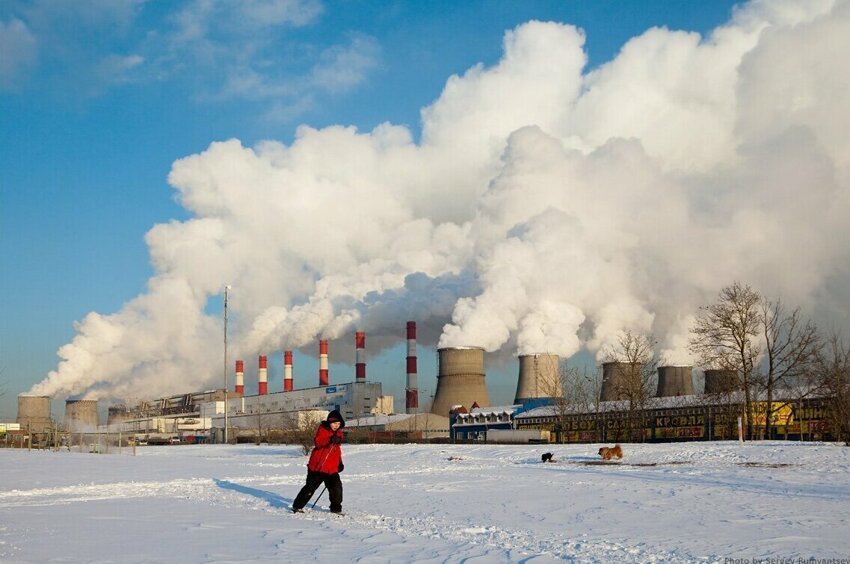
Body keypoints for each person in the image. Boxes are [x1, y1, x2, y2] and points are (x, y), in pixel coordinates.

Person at [292, 409, 345, 513]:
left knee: (336, 488)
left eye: (338, 423)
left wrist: (339, 462)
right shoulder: (322, 430)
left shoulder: (339, 434)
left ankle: (336, 509)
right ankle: (297, 506)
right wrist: (330, 440)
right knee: (310, 488)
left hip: (331, 469)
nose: (336, 425)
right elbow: (318, 442)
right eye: (334, 423)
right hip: (317, 468)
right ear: (329, 422)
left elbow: (336, 451)